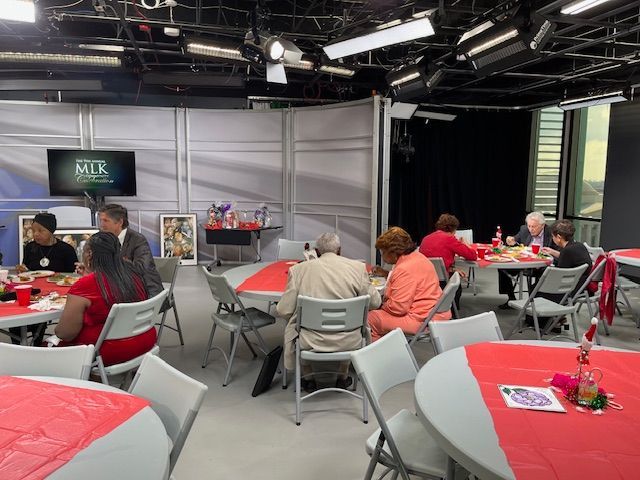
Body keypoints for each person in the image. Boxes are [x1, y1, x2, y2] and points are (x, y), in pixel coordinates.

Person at [276, 232, 381, 392]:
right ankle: (343, 377)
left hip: (309, 340)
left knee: (295, 325)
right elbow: (375, 302)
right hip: (350, 339)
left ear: (317, 251)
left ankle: (308, 379)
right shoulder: (358, 269)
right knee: (353, 321)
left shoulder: (298, 270)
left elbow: (283, 310)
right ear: (340, 250)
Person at [54, 231, 156, 366]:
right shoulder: (132, 273)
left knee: (48, 346)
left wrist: (87, 280)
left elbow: (65, 333)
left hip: (108, 351)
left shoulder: (85, 286)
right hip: (145, 339)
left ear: (89, 254)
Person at [368, 227, 450, 342]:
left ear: (393, 252)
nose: (382, 256)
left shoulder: (403, 269)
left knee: (369, 319)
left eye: (383, 252)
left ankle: (381, 352)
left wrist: (380, 304)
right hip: (432, 313)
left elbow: (398, 308)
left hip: (421, 320)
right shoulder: (419, 257)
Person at [11, 213, 77, 345]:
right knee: (16, 315)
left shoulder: (66, 249)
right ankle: (18, 345)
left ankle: (36, 344)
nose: (36, 234)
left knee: (37, 318)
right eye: (33, 230)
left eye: (41, 231)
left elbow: (72, 277)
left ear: (51, 230)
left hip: (57, 294)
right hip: (34, 291)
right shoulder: (30, 248)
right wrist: (23, 270)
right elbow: (27, 271)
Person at [77, 204, 163, 297]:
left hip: (145, 290)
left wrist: (113, 261)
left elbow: (142, 268)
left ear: (120, 222)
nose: (101, 225)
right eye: (101, 220)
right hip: (117, 288)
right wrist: (90, 267)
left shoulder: (138, 240)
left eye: (106, 220)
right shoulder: (101, 240)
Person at [499, 211, 556, 309]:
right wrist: (510, 240)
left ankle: (536, 303)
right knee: (502, 267)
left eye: (534, 226)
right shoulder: (524, 229)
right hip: (523, 262)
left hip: (541, 264)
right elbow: (515, 240)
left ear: (542, 225)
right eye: (529, 226)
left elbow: (555, 251)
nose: (531, 229)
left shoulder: (551, 232)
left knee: (546, 273)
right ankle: (511, 298)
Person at [418, 213, 477, 308]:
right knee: (457, 285)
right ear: (453, 229)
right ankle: (452, 311)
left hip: (425, 279)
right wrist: (465, 243)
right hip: (442, 281)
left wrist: (452, 269)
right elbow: (472, 256)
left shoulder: (426, 238)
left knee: (454, 274)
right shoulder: (450, 239)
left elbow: (432, 262)